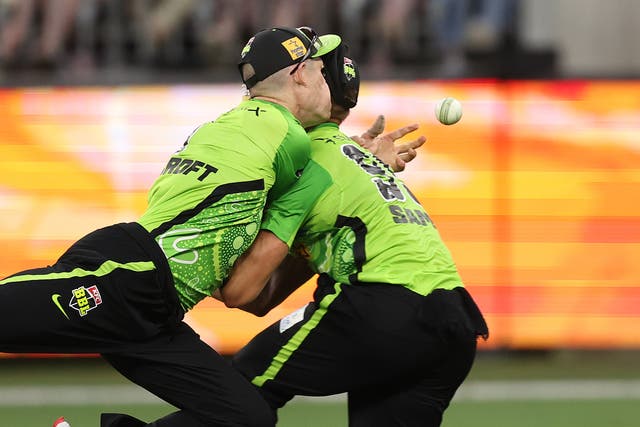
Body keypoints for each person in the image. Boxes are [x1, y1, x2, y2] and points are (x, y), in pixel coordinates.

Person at [0, 26, 341, 427]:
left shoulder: (235, 124)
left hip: (158, 308)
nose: (328, 83)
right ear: (299, 73)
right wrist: (362, 158)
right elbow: (325, 164)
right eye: (321, 71)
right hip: (131, 277)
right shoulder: (287, 136)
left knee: (248, 419)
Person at [219, 41, 489, 426]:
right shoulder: (358, 159)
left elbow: (248, 292)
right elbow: (263, 295)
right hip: (455, 318)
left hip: (382, 308)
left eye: (309, 70)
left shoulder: (296, 153)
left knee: (236, 389)